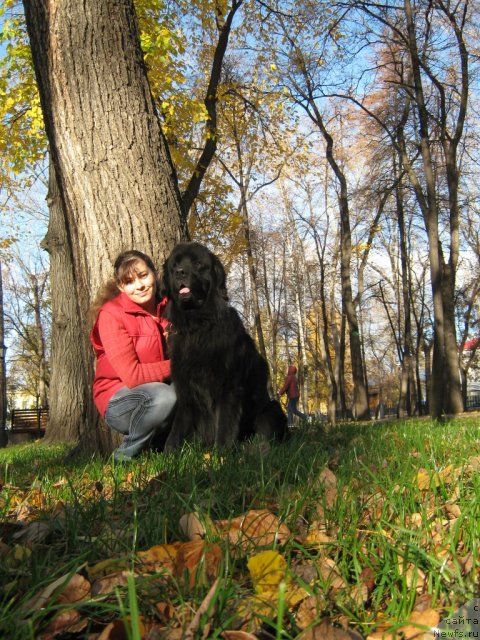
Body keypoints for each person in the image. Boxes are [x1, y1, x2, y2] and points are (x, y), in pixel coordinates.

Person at [90, 250, 176, 461]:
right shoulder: (111, 314)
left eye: (143, 275)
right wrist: (182, 364)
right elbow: (133, 375)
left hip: (159, 388)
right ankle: (124, 456)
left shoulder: (171, 308)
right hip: (118, 398)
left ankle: (168, 451)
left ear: (154, 274)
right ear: (121, 287)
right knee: (165, 397)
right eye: (129, 281)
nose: (139, 286)